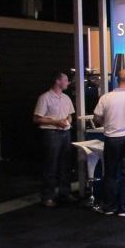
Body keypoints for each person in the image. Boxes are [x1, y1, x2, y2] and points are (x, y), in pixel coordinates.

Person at [92, 69, 125, 217]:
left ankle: (109, 207)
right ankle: (124, 208)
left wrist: (107, 121)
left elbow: (97, 118)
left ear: (117, 80)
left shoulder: (106, 98)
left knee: (110, 173)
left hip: (112, 138)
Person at [33, 71, 77, 208]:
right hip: (51, 133)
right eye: (66, 80)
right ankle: (48, 196)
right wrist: (56, 122)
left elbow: (70, 115)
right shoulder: (44, 98)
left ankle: (65, 193)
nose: (68, 82)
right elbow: (37, 118)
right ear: (58, 81)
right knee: (50, 165)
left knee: (66, 165)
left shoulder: (66, 98)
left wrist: (67, 121)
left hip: (65, 133)